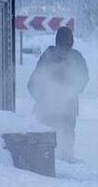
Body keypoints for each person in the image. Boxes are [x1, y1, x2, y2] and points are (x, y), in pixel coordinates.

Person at [27, 26, 89, 162]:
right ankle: (66, 154)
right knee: (67, 131)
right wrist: (73, 91)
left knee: (49, 130)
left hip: (48, 104)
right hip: (69, 105)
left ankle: (48, 156)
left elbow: (33, 81)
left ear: (57, 40)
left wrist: (40, 98)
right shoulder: (76, 57)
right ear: (71, 40)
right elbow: (84, 78)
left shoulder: (48, 55)